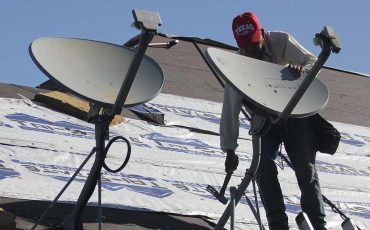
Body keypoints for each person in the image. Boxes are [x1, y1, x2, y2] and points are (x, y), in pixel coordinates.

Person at [220, 12, 327, 229]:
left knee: (306, 169)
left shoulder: (280, 41)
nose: (251, 50)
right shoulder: (237, 64)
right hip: (265, 118)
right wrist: (229, 149)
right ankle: (278, 224)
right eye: (245, 47)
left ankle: (317, 223)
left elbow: (312, 62)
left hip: (294, 111)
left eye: (254, 44)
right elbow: (229, 109)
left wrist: (301, 70)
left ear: (262, 33)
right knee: (263, 167)